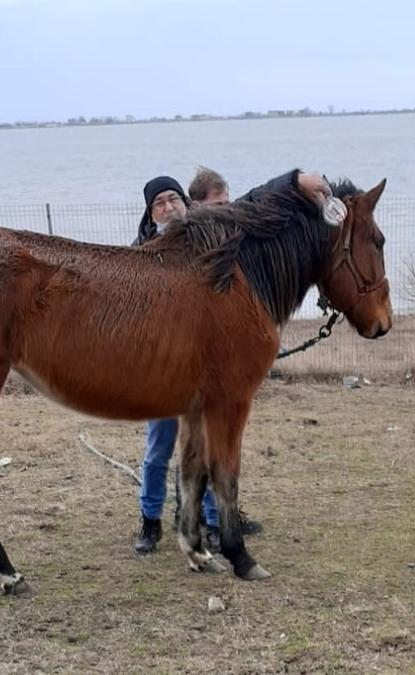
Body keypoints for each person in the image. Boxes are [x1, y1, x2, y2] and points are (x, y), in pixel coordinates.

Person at [130, 173, 263, 556]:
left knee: (206, 448)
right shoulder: (137, 255)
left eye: (173, 199)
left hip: (203, 375)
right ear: (150, 212)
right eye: (160, 203)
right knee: (158, 451)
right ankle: (149, 521)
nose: (168, 206)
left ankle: (214, 521)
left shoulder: (208, 247)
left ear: (187, 204)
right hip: (159, 376)